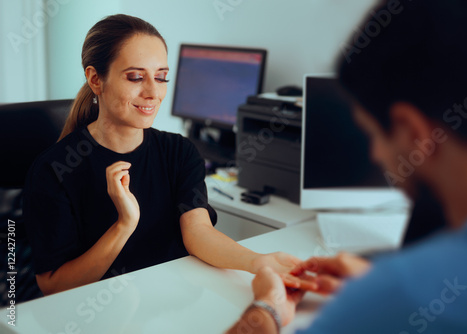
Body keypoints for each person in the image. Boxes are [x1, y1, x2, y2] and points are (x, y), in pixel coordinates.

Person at [228, 0, 467, 332]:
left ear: (413, 133)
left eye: (372, 134)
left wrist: (266, 308)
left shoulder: (403, 291)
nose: (375, 155)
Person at [22, 14, 300, 296]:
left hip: (171, 303)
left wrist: (257, 261)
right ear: (96, 79)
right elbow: (55, 286)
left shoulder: (179, 152)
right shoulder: (54, 169)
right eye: (135, 77)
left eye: (161, 77)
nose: (153, 92)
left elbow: (198, 232)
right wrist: (124, 225)